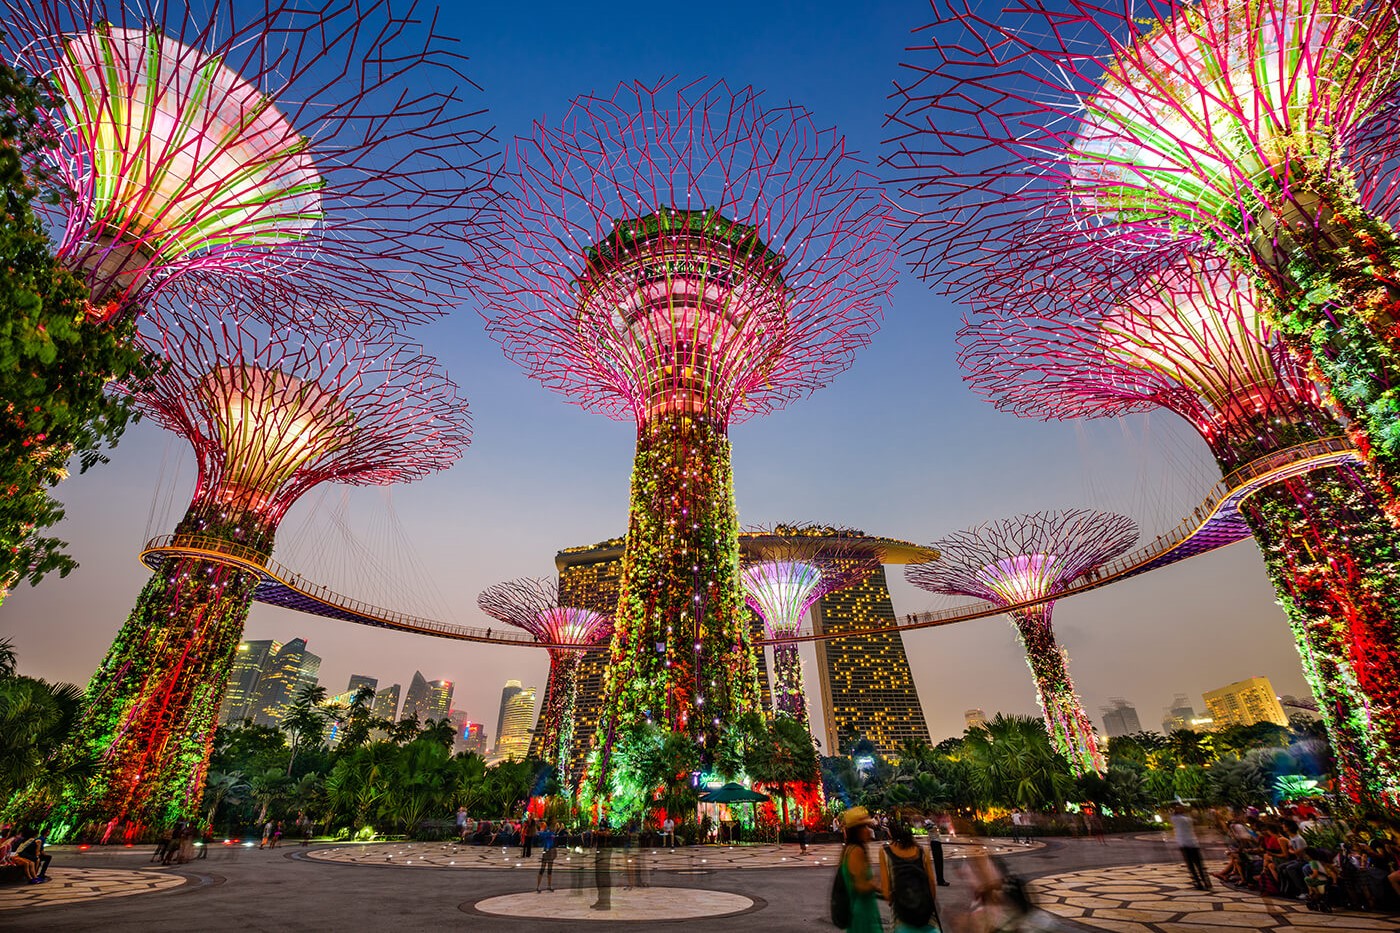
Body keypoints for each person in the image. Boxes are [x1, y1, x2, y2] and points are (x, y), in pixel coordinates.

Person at [880, 824, 940, 933]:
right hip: (927, 919)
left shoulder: (885, 852)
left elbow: (886, 893)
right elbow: (932, 885)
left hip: (901, 920)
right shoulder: (922, 851)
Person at [838, 807, 882, 933]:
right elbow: (860, 885)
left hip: (864, 909)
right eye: (864, 827)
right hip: (862, 913)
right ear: (856, 831)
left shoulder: (853, 849)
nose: (868, 831)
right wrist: (878, 884)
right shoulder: (855, 851)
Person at [1171, 807, 1211, 891]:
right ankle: (1206, 881)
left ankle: (1198, 882)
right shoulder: (1189, 819)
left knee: (1191, 866)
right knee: (1199, 864)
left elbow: (1172, 817)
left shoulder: (1176, 819)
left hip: (1184, 843)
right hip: (1193, 842)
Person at [536, 822, 557, 892]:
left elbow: (541, 835)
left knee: (549, 869)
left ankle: (549, 885)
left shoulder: (550, 832)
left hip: (550, 850)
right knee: (543, 868)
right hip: (547, 850)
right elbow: (542, 836)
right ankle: (539, 886)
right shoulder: (548, 832)